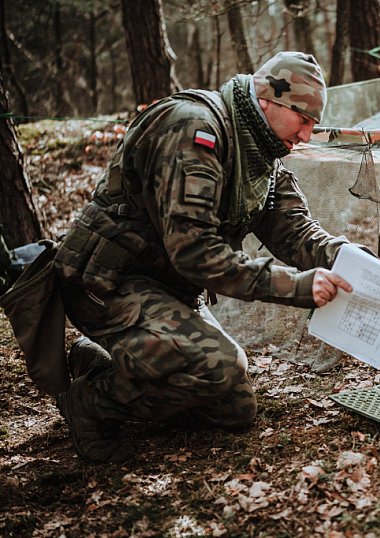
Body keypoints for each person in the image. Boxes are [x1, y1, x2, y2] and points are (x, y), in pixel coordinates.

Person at [50, 52, 357, 463]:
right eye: (302, 120)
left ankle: (105, 362)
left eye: (313, 124)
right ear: (267, 100)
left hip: (170, 289)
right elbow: (195, 253)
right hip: (111, 282)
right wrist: (297, 287)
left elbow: (295, 232)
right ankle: (89, 403)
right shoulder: (194, 129)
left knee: (234, 410)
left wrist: (349, 260)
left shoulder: (260, 152)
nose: (305, 135)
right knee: (219, 367)